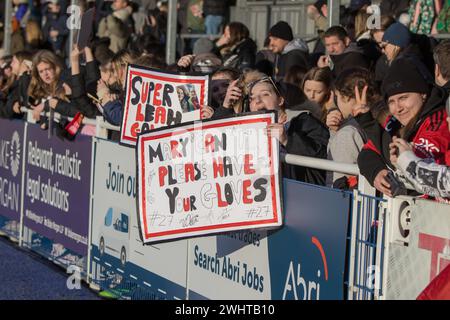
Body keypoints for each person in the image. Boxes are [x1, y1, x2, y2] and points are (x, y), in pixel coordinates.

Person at [355, 58, 450, 197]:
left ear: (422, 94)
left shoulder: (439, 119)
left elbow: (418, 160)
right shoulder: (397, 122)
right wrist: (376, 171)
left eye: (403, 98)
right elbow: (367, 151)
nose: (398, 108)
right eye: (392, 101)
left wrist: (369, 124)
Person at [247, 72, 330, 185]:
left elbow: (325, 154)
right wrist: (225, 107)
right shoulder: (248, 131)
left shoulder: (303, 121)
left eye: (265, 94)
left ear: (280, 100)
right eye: (251, 98)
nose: (257, 100)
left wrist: (287, 140)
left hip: (302, 193)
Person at [326, 68, 381, 188]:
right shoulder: (379, 119)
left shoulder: (347, 133)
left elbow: (342, 180)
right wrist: (334, 131)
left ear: (347, 97)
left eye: (337, 97)